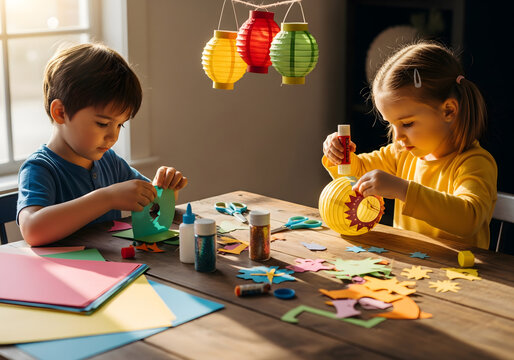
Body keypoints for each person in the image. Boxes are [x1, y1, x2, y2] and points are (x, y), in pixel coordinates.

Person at [322, 41, 497, 249]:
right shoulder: (401, 153)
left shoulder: (475, 163)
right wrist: (340, 156)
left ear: (448, 110)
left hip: (462, 276)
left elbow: (470, 218)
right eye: (391, 124)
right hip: (409, 266)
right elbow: (355, 177)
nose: (397, 137)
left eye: (407, 124)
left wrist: (403, 190)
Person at [17, 43, 187, 246]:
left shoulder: (110, 162)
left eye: (120, 125)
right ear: (60, 113)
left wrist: (165, 190)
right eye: (103, 124)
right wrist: (107, 198)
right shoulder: (40, 168)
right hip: (67, 274)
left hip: (116, 270)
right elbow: (32, 230)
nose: (112, 136)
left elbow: (152, 205)